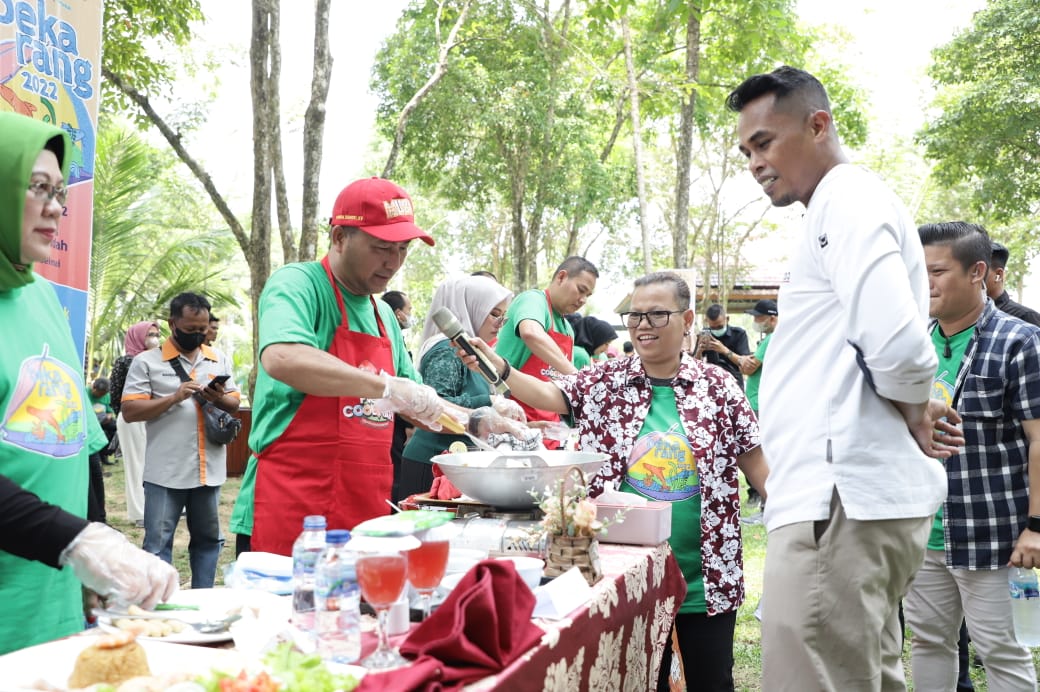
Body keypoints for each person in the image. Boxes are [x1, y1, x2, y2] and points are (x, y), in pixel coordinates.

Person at [726, 66, 962, 689]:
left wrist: (914, 407)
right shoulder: (837, 206)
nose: (755, 161)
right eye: (747, 150)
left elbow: (895, 343)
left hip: (838, 500)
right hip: (849, 501)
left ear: (818, 124)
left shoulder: (845, 199)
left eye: (766, 141)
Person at [459, 271, 767, 690]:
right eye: (635, 315)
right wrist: (503, 368)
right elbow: (551, 395)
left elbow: (757, 466)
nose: (643, 325)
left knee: (710, 682)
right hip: (627, 583)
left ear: (688, 318)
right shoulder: (607, 381)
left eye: (657, 314)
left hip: (705, 583)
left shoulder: (719, 389)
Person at [0, 112, 178, 654]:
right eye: (36, 188)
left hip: (52, 614)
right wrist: (74, 540)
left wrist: (95, 552)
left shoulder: (40, 294)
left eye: (60, 192)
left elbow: (77, 445)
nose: (55, 207)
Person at [228, 177, 448, 557]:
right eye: (381, 248)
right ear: (340, 237)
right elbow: (284, 357)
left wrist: (479, 420)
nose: (393, 263)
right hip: (290, 514)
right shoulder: (299, 284)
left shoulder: (383, 315)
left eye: (402, 249)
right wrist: (383, 386)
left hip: (366, 520)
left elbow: (419, 403)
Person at [903, 222, 1040, 691]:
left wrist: (1035, 526)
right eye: (918, 271)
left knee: (1001, 650)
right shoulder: (912, 341)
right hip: (924, 530)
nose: (926, 283)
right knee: (928, 643)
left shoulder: (1018, 341)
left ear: (978, 271)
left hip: (995, 534)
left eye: (937, 271)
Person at [121, 292, 240, 588]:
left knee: (210, 541)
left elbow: (235, 401)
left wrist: (219, 398)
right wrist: (174, 397)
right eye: (190, 330)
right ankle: (163, 604)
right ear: (172, 323)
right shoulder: (146, 362)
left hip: (207, 469)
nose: (197, 336)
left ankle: (204, 599)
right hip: (165, 472)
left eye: (203, 329)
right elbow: (130, 410)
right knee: (158, 545)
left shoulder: (217, 357)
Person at [397, 275, 513, 501]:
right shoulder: (447, 349)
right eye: (494, 315)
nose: (499, 324)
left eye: (503, 318)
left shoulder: (471, 349)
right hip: (430, 462)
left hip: (453, 459)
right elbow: (433, 403)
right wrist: (489, 403)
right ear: (471, 309)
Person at [494, 256, 598, 445]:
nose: (582, 300)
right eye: (581, 290)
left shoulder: (567, 328)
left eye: (587, 296)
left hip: (548, 430)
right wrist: (578, 377)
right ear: (561, 277)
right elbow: (531, 333)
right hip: (513, 421)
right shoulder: (534, 299)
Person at [109, 321, 161, 527]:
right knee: (136, 464)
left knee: (155, 463)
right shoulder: (125, 362)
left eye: (157, 334)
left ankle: (160, 507)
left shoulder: (159, 360)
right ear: (138, 336)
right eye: (150, 334)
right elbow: (115, 395)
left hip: (155, 416)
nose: (155, 338)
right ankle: (140, 513)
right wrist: (125, 417)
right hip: (132, 417)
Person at [738, 299, 778, 512]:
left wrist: (725, 352)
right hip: (758, 402)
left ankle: (766, 507)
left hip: (760, 404)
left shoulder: (773, 338)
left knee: (762, 456)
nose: (755, 321)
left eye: (758, 317)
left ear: (772, 318)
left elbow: (749, 368)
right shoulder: (770, 339)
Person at [693, 303, 750, 390]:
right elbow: (695, 364)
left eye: (719, 326)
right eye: (713, 327)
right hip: (712, 382)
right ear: (707, 322)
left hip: (734, 382)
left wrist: (724, 350)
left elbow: (744, 363)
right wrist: (699, 350)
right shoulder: (705, 335)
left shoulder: (739, 334)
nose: (716, 330)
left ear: (727, 319)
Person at [987, 241, 1040, 327]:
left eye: (979, 271)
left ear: (998, 275)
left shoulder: (1026, 317)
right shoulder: (967, 316)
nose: (973, 276)